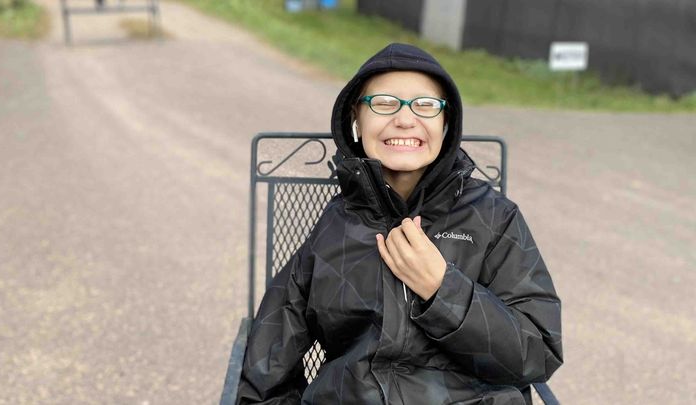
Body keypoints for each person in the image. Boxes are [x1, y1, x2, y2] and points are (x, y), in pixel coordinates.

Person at [237, 43, 563, 405]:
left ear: (446, 121)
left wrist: (443, 289)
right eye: (383, 103)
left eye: (425, 104)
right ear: (356, 118)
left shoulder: (494, 218)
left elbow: (538, 352)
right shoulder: (334, 226)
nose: (405, 119)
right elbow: (266, 368)